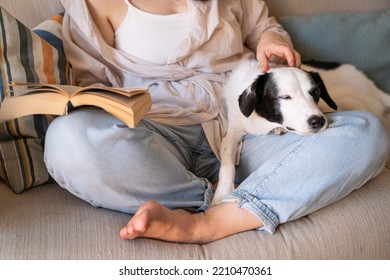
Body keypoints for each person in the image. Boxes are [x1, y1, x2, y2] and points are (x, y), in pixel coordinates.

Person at [44, 0, 390, 244]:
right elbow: (91, 84)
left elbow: (263, 28)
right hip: (156, 132)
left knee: (365, 132)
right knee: (67, 139)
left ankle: (212, 220)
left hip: (245, 127)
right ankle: (204, 195)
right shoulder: (93, 5)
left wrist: (272, 40)